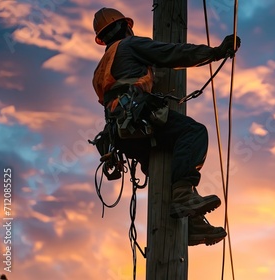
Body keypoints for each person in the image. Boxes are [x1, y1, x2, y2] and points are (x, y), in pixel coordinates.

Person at [92, 7, 240, 246]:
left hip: (122, 135)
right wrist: (215, 53)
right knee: (193, 132)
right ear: (123, 27)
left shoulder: (100, 68)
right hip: (137, 117)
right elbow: (172, 53)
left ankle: (191, 223)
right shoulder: (130, 46)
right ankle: (183, 194)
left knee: (170, 165)